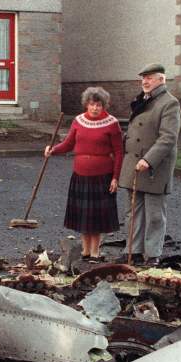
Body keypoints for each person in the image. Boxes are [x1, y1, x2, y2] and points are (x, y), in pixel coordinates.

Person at [45, 86, 123, 261]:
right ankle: (85, 251)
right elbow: (68, 144)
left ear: (104, 106)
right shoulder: (78, 121)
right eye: (92, 104)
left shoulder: (112, 123)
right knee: (83, 215)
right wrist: (53, 150)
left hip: (102, 176)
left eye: (99, 105)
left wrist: (115, 177)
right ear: (86, 104)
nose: (95, 108)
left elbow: (119, 152)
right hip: (80, 175)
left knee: (96, 217)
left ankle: (95, 252)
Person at [119, 63, 180, 266]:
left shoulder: (169, 103)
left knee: (154, 214)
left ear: (161, 80)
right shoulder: (142, 101)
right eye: (143, 78)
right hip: (134, 165)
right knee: (133, 212)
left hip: (154, 167)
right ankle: (133, 251)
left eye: (150, 77)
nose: (145, 81)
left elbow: (168, 138)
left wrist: (149, 159)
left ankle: (152, 255)